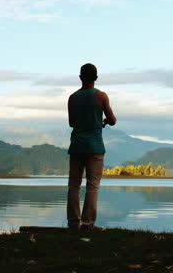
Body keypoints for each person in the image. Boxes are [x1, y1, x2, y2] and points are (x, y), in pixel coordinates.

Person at [66, 63, 116, 230]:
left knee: (74, 185)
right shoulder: (101, 96)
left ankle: (73, 223)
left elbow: (72, 123)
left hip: (77, 146)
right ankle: (87, 224)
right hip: (94, 147)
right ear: (96, 78)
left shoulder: (72, 98)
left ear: (80, 77)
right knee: (92, 186)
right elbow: (113, 120)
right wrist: (103, 121)